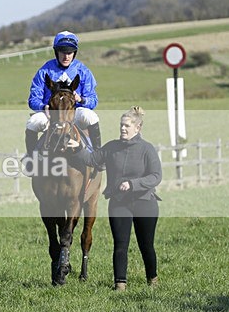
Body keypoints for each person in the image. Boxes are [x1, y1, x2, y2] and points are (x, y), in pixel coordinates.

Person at [67, 106, 161, 291]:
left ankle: (152, 278)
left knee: (146, 245)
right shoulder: (111, 147)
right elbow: (92, 159)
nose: (123, 129)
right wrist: (78, 147)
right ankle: (120, 284)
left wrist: (133, 184)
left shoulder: (147, 149)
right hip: (119, 203)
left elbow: (155, 176)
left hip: (145, 202)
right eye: (121, 125)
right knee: (120, 244)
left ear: (138, 128)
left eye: (126, 126)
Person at [25, 30, 103, 167]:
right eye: (62, 52)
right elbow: (33, 99)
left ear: (74, 53)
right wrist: (44, 107)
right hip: (51, 114)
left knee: (91, 117)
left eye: (70, 52)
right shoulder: (44, 71)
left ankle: (97, 156)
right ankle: (32, 159)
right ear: (56, 52)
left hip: (75, 112)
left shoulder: (83, 71)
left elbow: (93, 99)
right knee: (32, 122)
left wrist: (82, 100)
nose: (66, 56)